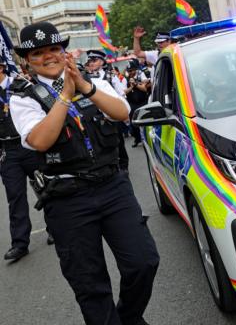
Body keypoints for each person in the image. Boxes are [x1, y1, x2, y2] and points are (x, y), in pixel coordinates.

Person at [9, 21, 159, 324]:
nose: (49, 56)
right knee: (89, 284)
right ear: (26, 59)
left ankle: (128, 317)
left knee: (143, 262)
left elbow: (122, 113)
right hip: (67, 199)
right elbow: (39, 140)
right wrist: (64, 96)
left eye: (54, 48)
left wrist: (84, 88)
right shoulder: (22, 97)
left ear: (64, 51)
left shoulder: (92, 80)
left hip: (112, 186)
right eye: (38, 53)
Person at [0, 61, 53, 262]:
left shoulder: (22, 85)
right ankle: (20, 243)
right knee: (15, 196)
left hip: (30, 144)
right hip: (8, 150)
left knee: (45, 188)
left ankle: (54, 228)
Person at [85, 50, 130, 171]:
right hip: (96, 116)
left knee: (118, 141)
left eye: (94, 60)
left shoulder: (111, 75)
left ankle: (123, 166)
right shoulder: (87, 77)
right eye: (90, 61)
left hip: (112, 113)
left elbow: (121, 94)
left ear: (102, 61)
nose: (91, 63)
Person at [124, 60, 149, 147]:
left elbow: (145, 89)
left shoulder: (141, 75)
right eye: (129, 71)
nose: (130, 72)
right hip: (132, 103)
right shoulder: (125, 78)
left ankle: (147, 137)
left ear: (135, 69)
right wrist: (131, 86)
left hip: (143, 102)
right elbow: (124, 92)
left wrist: (136, 84)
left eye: (132, 70)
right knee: (134, 123)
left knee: (146, 120)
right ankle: (137, 139)